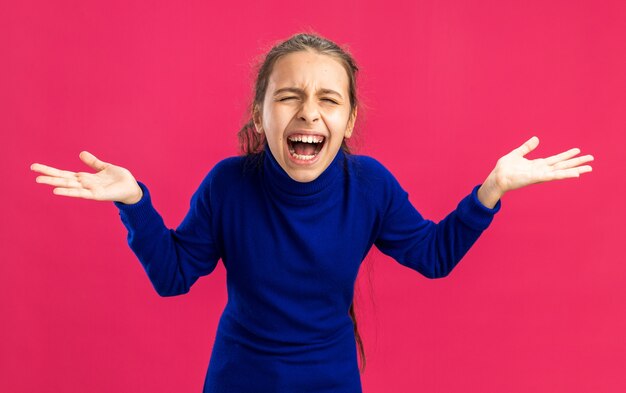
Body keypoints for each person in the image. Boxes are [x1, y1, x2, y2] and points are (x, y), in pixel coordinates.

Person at [30, 32, 593, 393]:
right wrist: (135, 203)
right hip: (238, 380)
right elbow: (175, 276)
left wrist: (491, 190)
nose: (308, 112)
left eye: (328, 99)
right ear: (260, 115)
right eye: (288, 96)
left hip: (331, 381)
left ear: (348, 120)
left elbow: (432, 255)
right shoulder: (229, 185)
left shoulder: (368, 186)